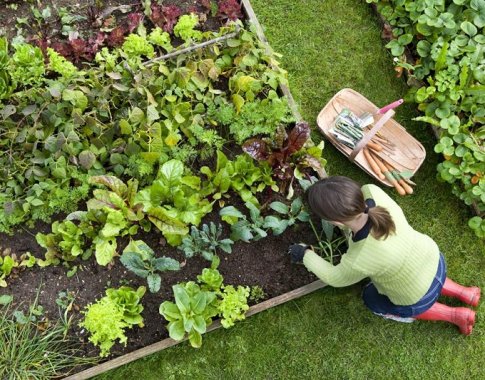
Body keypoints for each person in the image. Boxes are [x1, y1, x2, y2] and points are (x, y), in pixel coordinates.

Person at [288, 176, 480, 335]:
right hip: (433, 259)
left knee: (371, 298)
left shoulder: (359, 258)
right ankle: (466, 293)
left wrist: (305, 254)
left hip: (415, 295)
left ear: (336, 222)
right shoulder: (372, 192)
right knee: (422, 274)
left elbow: (335, 278)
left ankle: (455, 315)